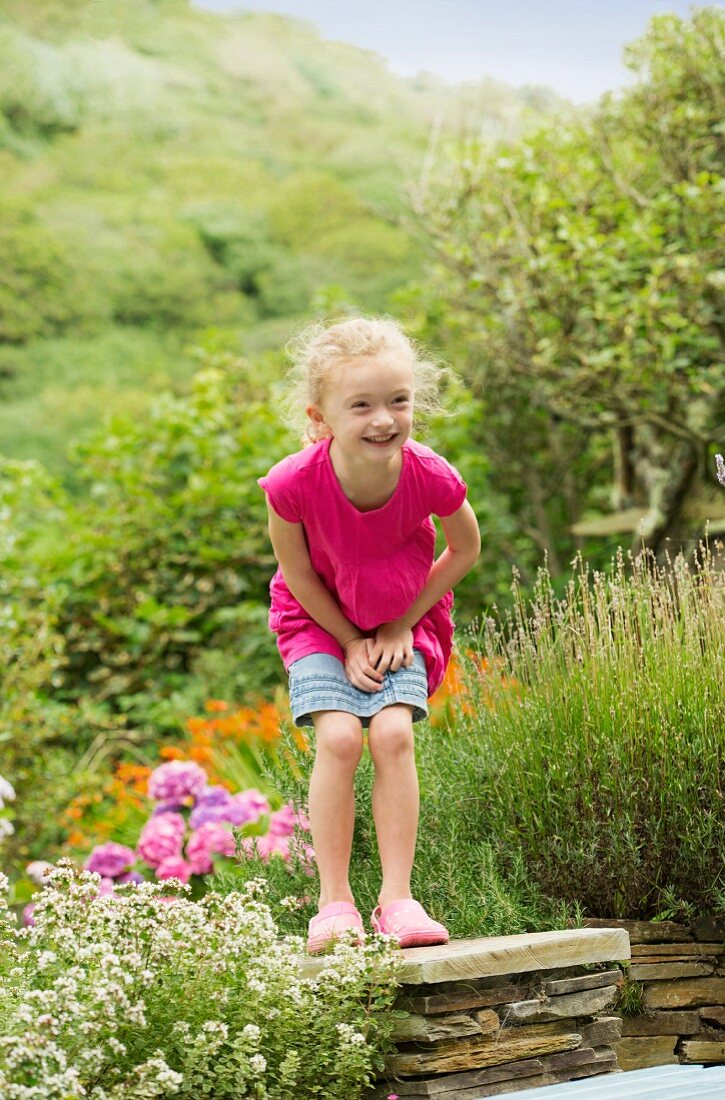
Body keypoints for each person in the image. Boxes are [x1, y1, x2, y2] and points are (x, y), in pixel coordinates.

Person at [257, 316, 481, 954]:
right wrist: (348, 638)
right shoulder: (292, 484)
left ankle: (398, 900)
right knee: (336, 736)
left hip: (402, 622)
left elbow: (465, 548)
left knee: (390, 732)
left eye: (399, 401)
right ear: (321, 415)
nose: (384, 419)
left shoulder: (428, 474)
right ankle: (334, 904)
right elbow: (296, 574)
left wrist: (399, 623)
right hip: (317, 621)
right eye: (361, 405)